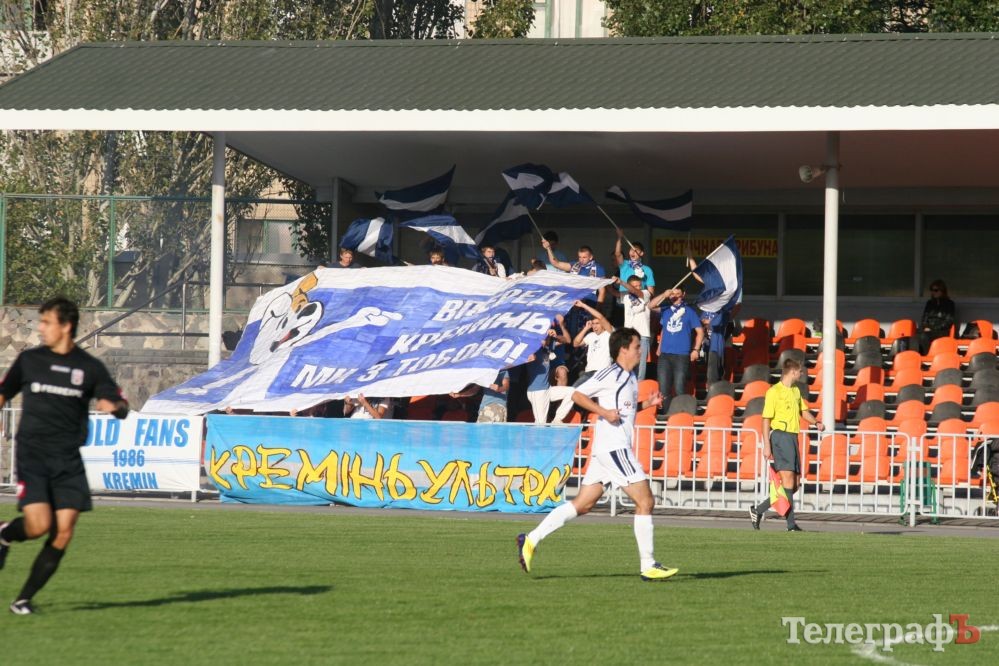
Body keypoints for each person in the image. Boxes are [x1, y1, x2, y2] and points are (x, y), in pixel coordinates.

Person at [0, 297, 130, 615]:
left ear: (66, 326)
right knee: (38, 526)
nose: (41, 328)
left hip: (68, 459)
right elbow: (3, 392)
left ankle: (22, 600)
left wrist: (114, 406)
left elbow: (120, 404)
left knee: (64, 530)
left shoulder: (89, 367)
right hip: (33, 455)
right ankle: (4, 533)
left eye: (47, 322)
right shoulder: (30, 360)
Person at [517, 327, 677, 581]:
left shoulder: (630, 377)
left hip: (607, 450)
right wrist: (603, 413)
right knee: (646, 502)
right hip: (614, 448)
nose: (640, 351)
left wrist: (648, 404)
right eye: (637, 347)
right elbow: (577, 394)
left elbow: (623, 409)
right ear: (623, 349)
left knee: (582, 504)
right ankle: (648, 565)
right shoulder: (610, 374)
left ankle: (531, 539)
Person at [749, 358, 823, 532]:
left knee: (795, 484)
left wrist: (816, 422)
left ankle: (758, 510)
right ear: (793, 372)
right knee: (788, 481)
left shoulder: (796, 390)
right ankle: (791, 525)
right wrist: (766, 444)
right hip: (780, 436)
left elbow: (803, 411)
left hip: (792, 437)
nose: (801, 374)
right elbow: (766, 419)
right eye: (800, 371)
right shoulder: (774, 392)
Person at [649, 287, 703, 415]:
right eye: (673, 294)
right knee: (663, 388)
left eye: (678, 294)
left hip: (681, 354)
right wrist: (663, 294)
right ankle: (667, 414)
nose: (675, 296)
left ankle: (681, 414)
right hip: (665, 354)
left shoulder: (689, 312)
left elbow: (700, 332)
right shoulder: (666, 310)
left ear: (683, 294)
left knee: (679, 387)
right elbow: (650, 306)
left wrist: (696, 349)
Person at [617, 275, 652, 381]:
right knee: (629, 363)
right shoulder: (626, 297)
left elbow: (635, 292)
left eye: (639, 285)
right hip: (629, 335)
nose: (637, 288)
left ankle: (639, 388)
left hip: (643, 335)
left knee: (641, 366)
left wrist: (621, 282)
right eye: (634, 286)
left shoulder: (645, 293)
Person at [918, 279, 956, 354]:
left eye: (936, 290)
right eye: (932, 290)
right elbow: (925, 317)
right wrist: (925, 326)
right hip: (928, 330)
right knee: (916, 336)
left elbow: (949, 321)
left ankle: (927, 355)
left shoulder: (950, 304)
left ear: (942, 291)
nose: (933, 292)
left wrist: (934, 328)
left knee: (924, 337)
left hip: (942, 330)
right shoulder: (930, 303)